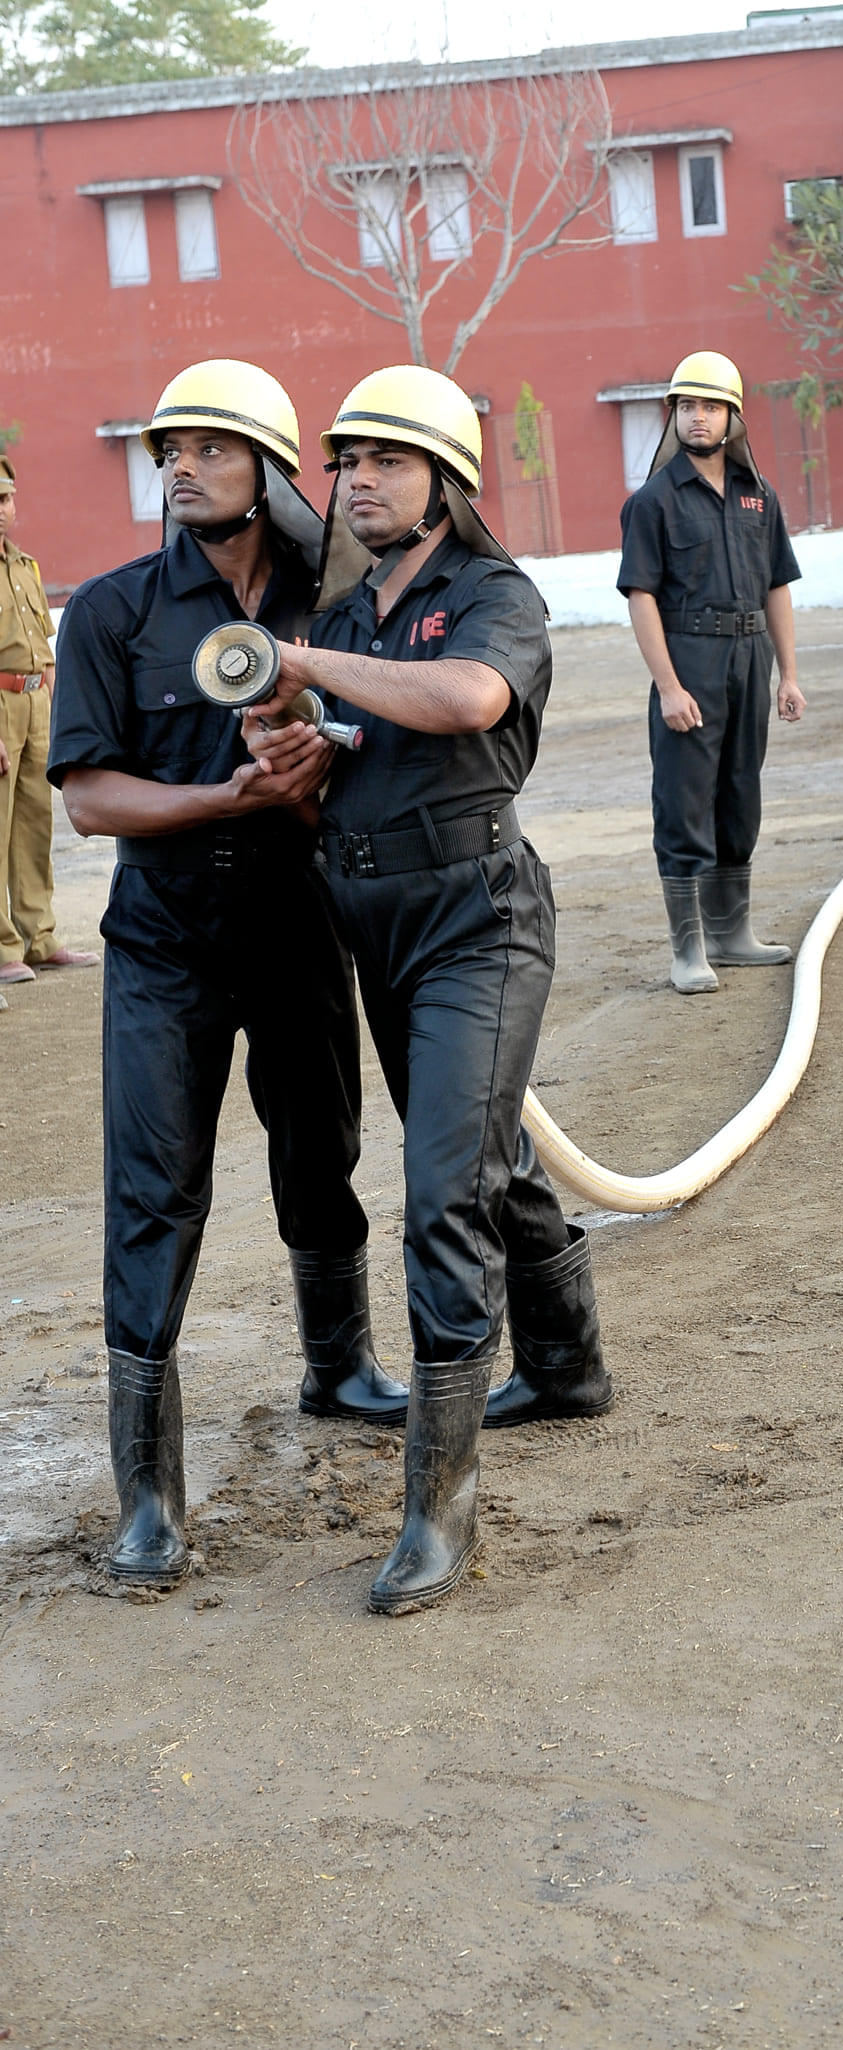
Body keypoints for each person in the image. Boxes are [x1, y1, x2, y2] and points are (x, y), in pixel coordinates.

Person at [245, 366, 612, 1617]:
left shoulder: (490, 596)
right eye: (349, 465)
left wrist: (303, 664)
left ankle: (439, 1509)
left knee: (439, 1190)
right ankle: (566, 1366)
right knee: (485, 1162)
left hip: (480, 921)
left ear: (447, 481)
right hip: (376, 924)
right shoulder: (351, 615)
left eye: (389, 464)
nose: (360, 484)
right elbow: (332, 745)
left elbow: (468, 700)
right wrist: (293, 742)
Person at [48, 361, 404, 1591]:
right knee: (155, 1195)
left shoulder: (339, 606)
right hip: (164, 946)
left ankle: (340, 1366)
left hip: (304, 923)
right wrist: (229, 795)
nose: (180, 466)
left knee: (324, 1148)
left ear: (269, 470)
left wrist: (320, 780)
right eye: (169, 449)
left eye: (210, 446)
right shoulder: (111, 613)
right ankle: (149, 1494)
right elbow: (91, 802)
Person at [617, 351, 806, 995]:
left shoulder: (760, 497)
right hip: (689, 658)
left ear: (734, 418)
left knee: (738, 792)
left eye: (711, 406)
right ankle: (688, 946)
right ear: (673, 416)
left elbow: (777, 585)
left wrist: (789, 674)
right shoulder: (652, 501)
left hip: (750, 657)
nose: (698, 418)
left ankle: (732, 932)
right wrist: (668, 686)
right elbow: (641, 596)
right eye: (687, 406)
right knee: (684, 798)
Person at [0, 455, 98, 989]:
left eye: (6, 498)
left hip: (37, 702)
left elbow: (44, 650)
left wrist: (63, 714)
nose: (1, 510)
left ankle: (38, 937)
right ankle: (1, 947)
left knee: (36, 826)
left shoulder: (26, 566)